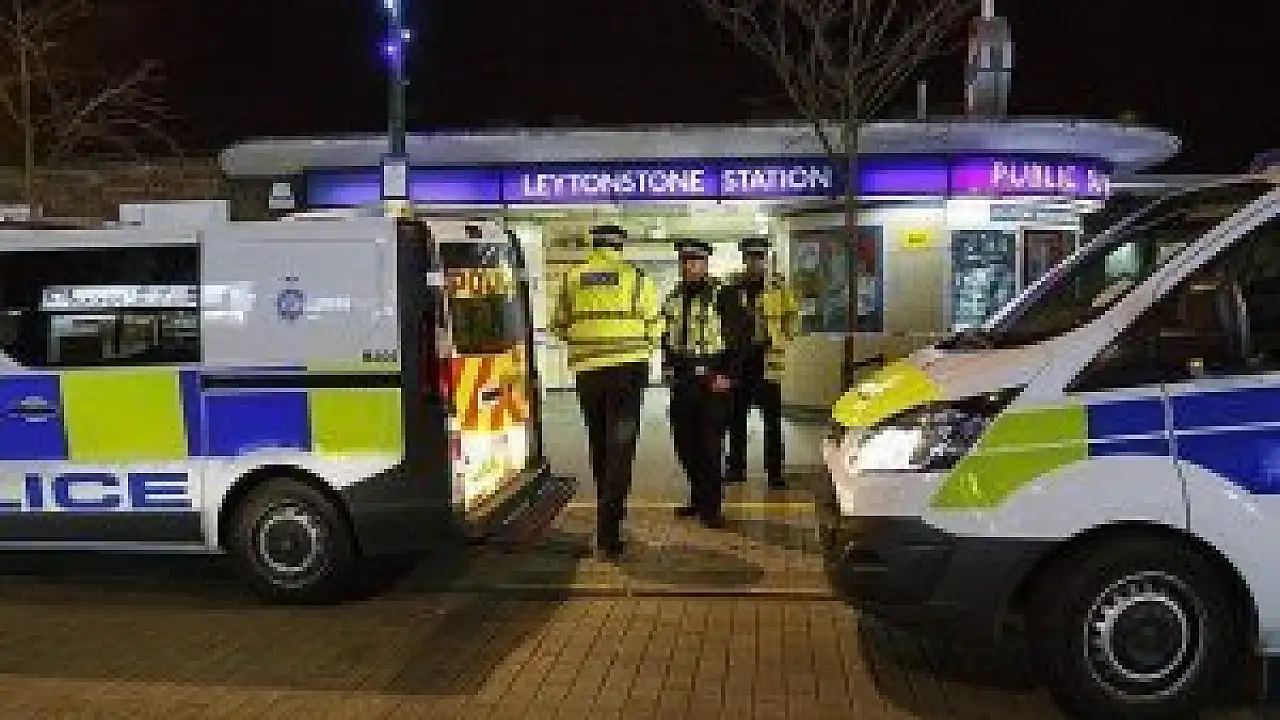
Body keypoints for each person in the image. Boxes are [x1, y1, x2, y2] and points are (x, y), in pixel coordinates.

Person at [548, 223, 662, 560]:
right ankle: (609, 529)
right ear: (620, 245)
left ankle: (608, 509)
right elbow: (656, 325)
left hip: (588, 375)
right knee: (621, 449)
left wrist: (586, 343)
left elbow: (557, 325)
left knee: (599, 444)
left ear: (594, 244)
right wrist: (641, 348)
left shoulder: (571, 278)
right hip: (626, 375)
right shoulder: (635, 277)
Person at [660, 240, 743, 529]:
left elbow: (740, 338)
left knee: (710, 447)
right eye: (685, 261)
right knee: (685, 445)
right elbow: (666, 338)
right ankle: (698, 497)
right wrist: (667, 368)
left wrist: (728, 375)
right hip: (683, 381)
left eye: (696, 262)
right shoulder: (673, 297)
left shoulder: (724, 294)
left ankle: (711, 506)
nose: (690, 267)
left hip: (713, 380)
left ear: (706, 264)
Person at [723, 237, 800, 490]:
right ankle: (736, 469)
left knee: (772, 421)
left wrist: (782, 338)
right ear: (744, 259)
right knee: (736, 419)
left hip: (767, 361)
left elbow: (792, 316)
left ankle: (775, 473)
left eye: (759, 257)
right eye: (750, 257)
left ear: (765, 259)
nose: (755, 262)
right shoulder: (732, 285)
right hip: (739, 362)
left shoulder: (778, 286)